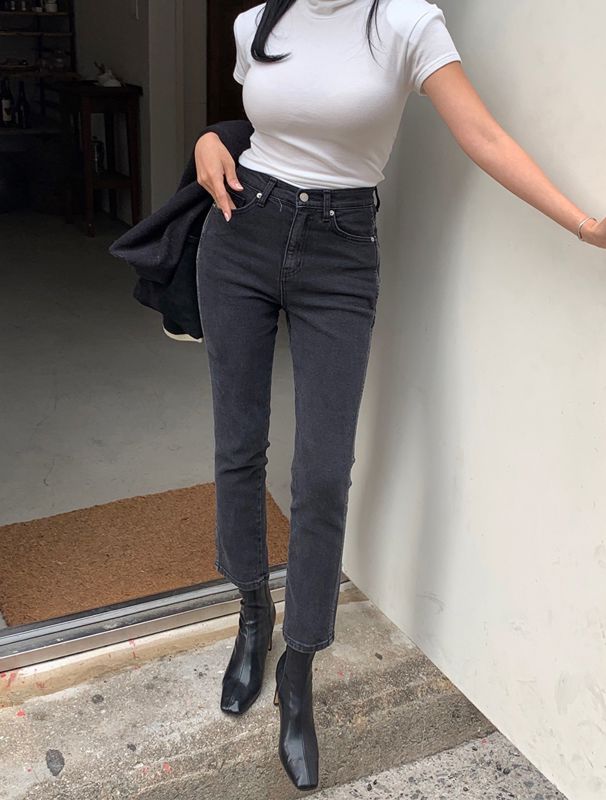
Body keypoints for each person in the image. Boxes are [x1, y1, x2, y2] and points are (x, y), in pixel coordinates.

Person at [194, 0, 606, 790]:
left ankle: (298, 670)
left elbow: (483, 135)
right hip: (240, 235)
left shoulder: (408, 23)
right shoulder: (256, 21)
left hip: (339, 253)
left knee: (322, 476)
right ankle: (252, 612)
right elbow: (268, 123)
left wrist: (584, 225)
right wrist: (210, 136)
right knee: (237, 448)